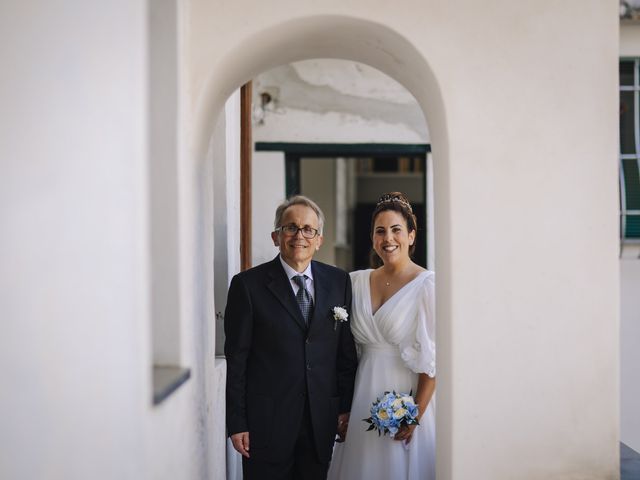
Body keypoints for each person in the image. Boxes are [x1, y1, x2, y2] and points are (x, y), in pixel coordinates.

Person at [224, 195, 358, 480]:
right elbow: (237, 360)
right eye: (291, 228)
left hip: (320, 420)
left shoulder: (339, 282)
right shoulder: (247, 286)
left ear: (319, 239)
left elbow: (345, 355)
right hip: (266, 424)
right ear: (276, 236)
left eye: (308, 229)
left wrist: (344, 407)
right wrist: (237, 422)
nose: (300, 236)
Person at [327, 192, 436, 480]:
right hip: (362, 392)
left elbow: (433, 361)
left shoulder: (427, 286)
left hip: (407, 397)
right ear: (373, 238)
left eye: (396, 230)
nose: (388, 238)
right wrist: (343, 406)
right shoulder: (355, 281)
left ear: (411, 236)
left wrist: (415, 415)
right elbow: (343, 351)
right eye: (380, 231)